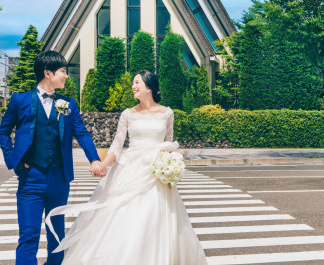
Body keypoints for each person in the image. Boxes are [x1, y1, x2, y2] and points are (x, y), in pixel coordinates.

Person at [46, 69, 207, 264]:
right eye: (133, 82)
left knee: (156, 219)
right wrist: (102, 164)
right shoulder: (128, 114)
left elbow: (169, 143)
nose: (133, 86)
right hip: (131, 169)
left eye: (137, 83)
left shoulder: (167, 113)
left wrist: (171, 167)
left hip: (156, 174)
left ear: (149, 87)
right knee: (124, 217)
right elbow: (117, 144)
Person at [0, 50, 106, 265]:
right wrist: (13, 160)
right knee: (28, 236)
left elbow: (82, 132)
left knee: (57, 235)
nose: (66, 76)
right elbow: (3, 131)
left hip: (59, 178)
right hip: (31, 178)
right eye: (63, 71)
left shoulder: (68, 103)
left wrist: (94, 159)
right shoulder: (20, 101)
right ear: (48, 73)